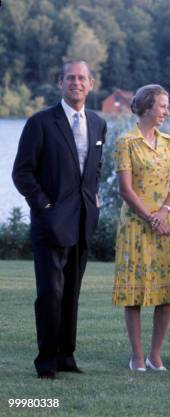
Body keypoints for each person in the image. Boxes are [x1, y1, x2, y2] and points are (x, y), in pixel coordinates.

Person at [12, 60, 107, 379]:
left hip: (82, 221)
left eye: (82, 78)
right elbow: (21, 172)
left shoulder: (98, 122)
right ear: (60, 83)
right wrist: (44, 205)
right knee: (50, 293)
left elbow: (94, 167)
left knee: (71, 293)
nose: (76, 83)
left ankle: (67, 355)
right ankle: (47, 360)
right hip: (50, 223)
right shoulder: (40, 122)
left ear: (91, 83)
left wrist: (94, 198)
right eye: (71, 78)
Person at [112, 84, 170, 372]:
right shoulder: (125, 142)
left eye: (167, 106)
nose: (166, 110)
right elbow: (125, 190)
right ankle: (137, 356)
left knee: (166, 292)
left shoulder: (169, 142)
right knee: (135, 292)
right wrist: (150, 217)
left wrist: (164, 212)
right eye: (162, 105)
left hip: (165, 223)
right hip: (135, 226)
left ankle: (155, 355)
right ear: (146, 107)